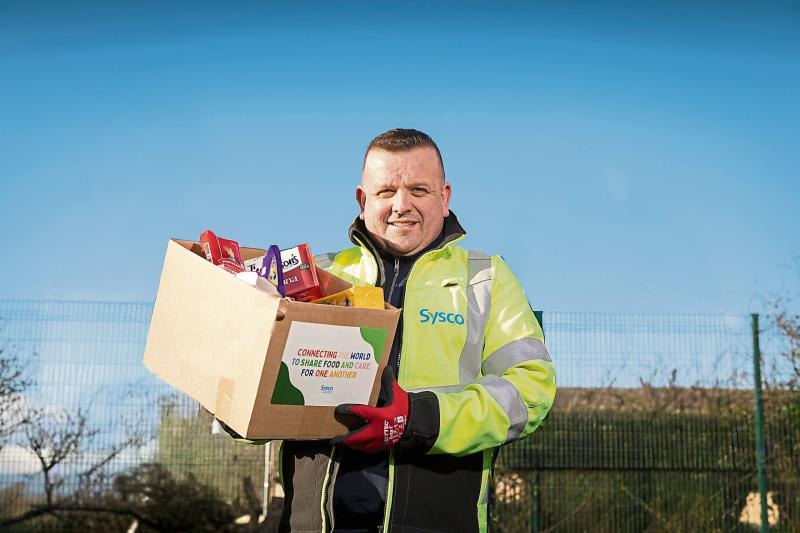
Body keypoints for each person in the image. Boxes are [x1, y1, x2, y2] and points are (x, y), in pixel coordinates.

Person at [270, 128, 556, 533]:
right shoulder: (316, 276)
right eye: (386, 191)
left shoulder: (486, 277)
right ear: (362, 199)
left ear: (445, 196)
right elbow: (263, 393)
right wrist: (233, 401)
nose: (401, 205)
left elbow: (530, 393)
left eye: (418, 189)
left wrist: (419, 419)